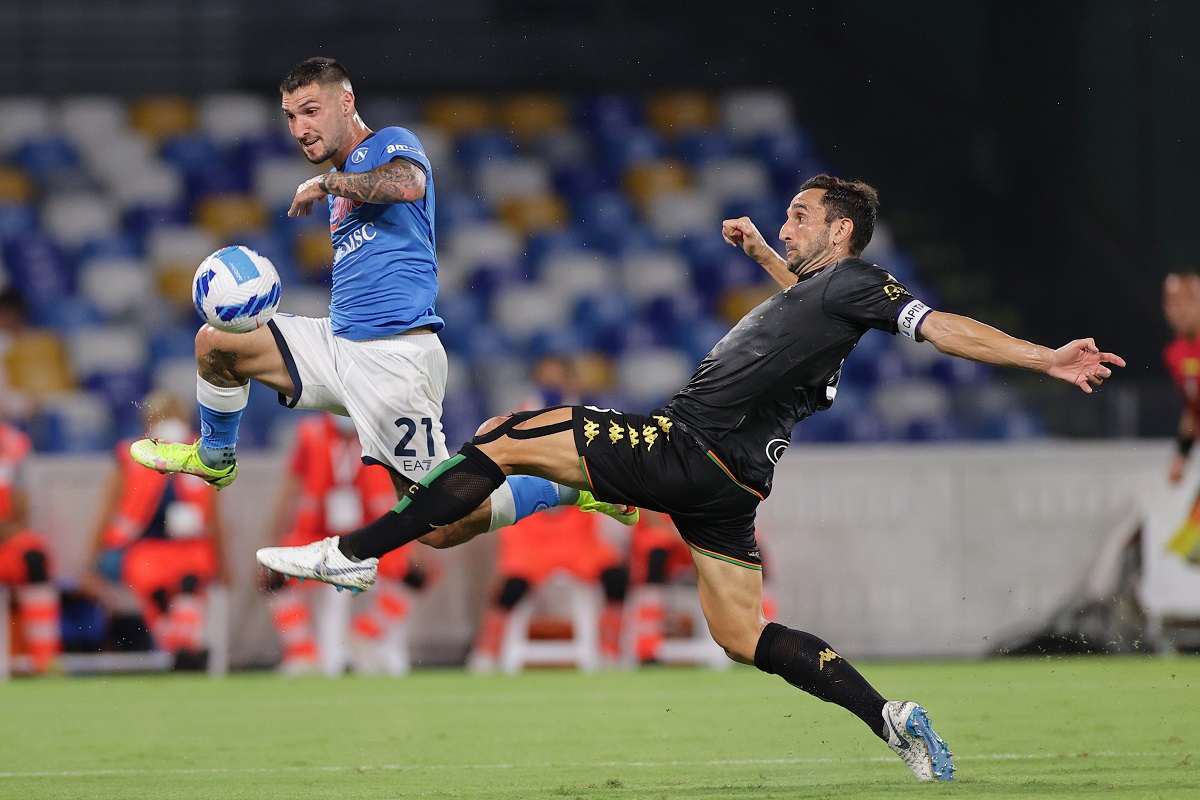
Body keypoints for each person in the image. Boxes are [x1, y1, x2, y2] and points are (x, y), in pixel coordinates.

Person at [257, 174, 1126, 782]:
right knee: (743, 636)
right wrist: (766, 256)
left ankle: (355, 552)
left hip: (686, 446)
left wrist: (1043, 357)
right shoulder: (829, 301)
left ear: (841, 233)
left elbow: (941, 326)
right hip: (730, 490)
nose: (787, 223)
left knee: (510, 434)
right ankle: (889, 718)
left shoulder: (862, 283)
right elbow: (806, 303)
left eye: (800, 216)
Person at [128, 57, 636, 540]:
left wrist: (327, 182)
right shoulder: (346, 182)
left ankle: (571, 487)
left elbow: (408, 183)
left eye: (311, 111)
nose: (300, 128)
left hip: (395, 359)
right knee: (217, 343)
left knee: (438, 525)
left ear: (346, 101)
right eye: (290, 116)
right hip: (338, 344)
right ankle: (216, 459)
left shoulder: (388, 144)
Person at [262, 412, 436, 675]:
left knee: (415, 572)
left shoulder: (382, 437)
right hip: (318, 533)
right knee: (275, 575)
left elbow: (406, 489)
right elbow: (291, 487)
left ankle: (367, 632)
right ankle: (303, 652)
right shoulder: (310, 436)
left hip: (371, 532)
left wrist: (417, 541)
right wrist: (274, 538)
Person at [83, 391, 230, 669]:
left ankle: (181, 648)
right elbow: (106, 513)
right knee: (154, 585)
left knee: (191, 578)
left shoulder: (203, 457)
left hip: (188, 548)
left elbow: (216, 520)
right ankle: (183, 648)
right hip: (140, 548)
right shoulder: (129, 457)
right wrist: (90, 564)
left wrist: (224, 565)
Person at [0, 410, 61, 674]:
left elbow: (21, 510)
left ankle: (45, 660)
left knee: (33, 557)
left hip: (6, 540)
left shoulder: (13, 446)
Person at [1160, 271, 1200, 562]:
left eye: (1188, 301)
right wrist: (1181, 455)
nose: (1180, 310)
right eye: (1173, 303)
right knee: (1191, 548)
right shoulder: (1174, 354)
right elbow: (1194, 409)